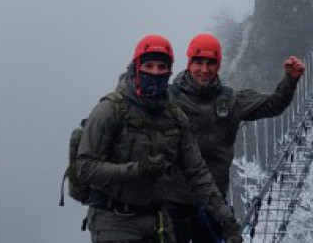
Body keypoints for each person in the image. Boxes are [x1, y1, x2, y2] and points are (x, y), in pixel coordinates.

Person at [77, 34, 242, 243]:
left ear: (169, 71)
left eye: (161, 67)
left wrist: (227, 221)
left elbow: (198, 173)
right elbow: (85, 169)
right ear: (136, 67)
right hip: (114, 221)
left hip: (159, 221)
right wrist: (136, 170)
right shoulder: (110, 110)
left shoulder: (174, 117)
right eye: (149, 65)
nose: (155, 72)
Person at [167, 33, 305, 243]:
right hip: (172, 205)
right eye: (199, 62)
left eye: (211, 63)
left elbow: (273, 105)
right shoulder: (167, 100)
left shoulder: (231, 101)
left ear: (218, 65)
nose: (204, 70)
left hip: (213, 207)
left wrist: (290, 80)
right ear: (189, 63)